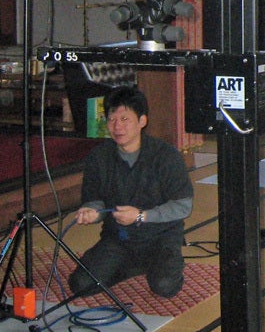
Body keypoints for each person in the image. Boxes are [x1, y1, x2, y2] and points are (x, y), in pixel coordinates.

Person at [69, 85, 193, 298]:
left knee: (165, 286)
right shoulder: (99, 157)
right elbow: (94, 199)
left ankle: (163, 262)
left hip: (160, 236)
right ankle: (131, 264)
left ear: (142, 121)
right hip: (118, 237)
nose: (117, 126)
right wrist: (91, 212)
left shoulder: (165, 155)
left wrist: (141, 216)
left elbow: (183, 206)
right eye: (111, 119)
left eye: (124, 119)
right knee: (81, 285)